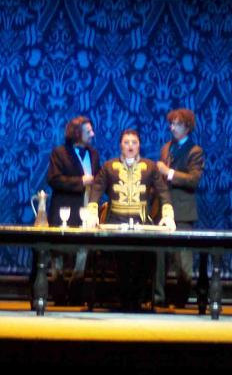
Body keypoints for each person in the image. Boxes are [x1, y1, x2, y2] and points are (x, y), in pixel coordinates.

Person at [86, 129, 175, 311]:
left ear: (139, 145)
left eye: (134, 142)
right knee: (121, 260)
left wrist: (167, 214)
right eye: (126, 142)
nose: (130, 146)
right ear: (121, 145)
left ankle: (137, 298)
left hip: (141, 222)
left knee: (146, 258)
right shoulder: (109, 166)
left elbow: (163, 191)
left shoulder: (150, 167)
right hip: (115, 222)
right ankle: (126, 299)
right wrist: (93, 211)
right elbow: (96, 190)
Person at [45, 116, 100, 305]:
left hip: (86, 205)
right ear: (77, 133)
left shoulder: (93, 154)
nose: (92, 134)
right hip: (65, 207)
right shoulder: (60, 153)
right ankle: (59, 293)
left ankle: (76, 290)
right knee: (58, 253)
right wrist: (80, 181)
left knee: (83, 250)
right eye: (88, 131)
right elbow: (54, 179)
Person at [154, 108, 205, 308]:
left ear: (187, 127)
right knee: (160, 259)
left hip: (182, 212)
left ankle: (180, 300)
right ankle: (158, 298)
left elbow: (193, 180)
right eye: (171, 123)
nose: (172, 128)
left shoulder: (195, 151)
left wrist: (169, 173)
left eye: (177, 124)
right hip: (163, 209)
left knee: (183, 263)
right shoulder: (166, 148)